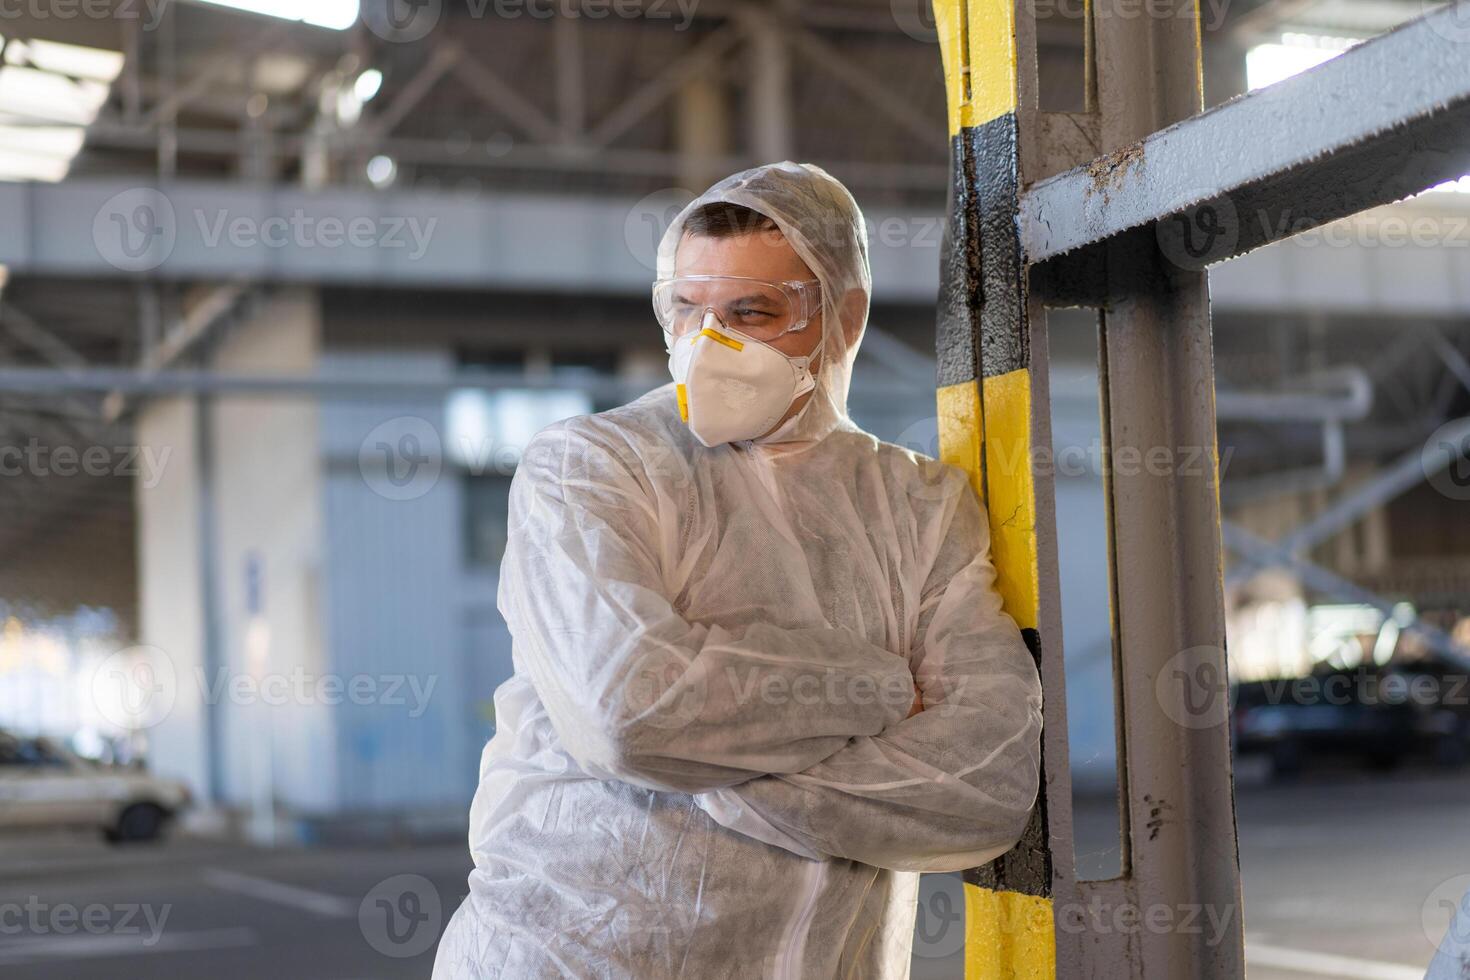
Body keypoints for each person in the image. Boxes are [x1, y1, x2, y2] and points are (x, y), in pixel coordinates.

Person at [433, 161, 1043, 979]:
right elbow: (632, 713)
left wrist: (710, 765)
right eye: (688, 310)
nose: (709, 345)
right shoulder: (591, 470)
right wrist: (883, 690)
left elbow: (985, 785)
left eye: (752, 313)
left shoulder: (921, 505)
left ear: (843, 319)